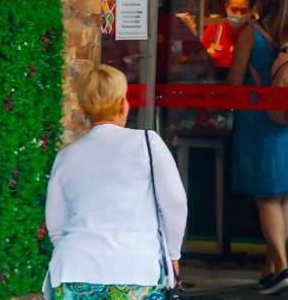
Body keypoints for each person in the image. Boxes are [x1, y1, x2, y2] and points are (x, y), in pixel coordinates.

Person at [44, 65, 188, 299]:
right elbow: (174, 205)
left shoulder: (66, 156)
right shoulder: (147, 143)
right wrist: (173, 256)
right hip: (135, 269)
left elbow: (57, 226)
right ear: (123, 104)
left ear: (83, 109)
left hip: (73, 269)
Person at [228, 0, 288, 296]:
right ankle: (271, 268)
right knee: (284, 196)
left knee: (266, 198)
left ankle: (283, 269)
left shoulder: (252, 33)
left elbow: (234, 82)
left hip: (259, 121)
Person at [202, 0, 252, 68]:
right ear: (226, 8)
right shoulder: (213, 30)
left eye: (243, 11)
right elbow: (200, 62)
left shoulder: (253, 35)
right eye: (234, 10)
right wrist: (207, 56)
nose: (238, 15)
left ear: (249, 11)